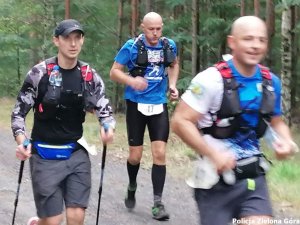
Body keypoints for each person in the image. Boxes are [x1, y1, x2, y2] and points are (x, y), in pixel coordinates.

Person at [171, 16, 298, 225]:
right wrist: (213, 154)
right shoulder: (211, 80)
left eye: (261, 40)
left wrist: (286, 142)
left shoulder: (270, 82)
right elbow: (180, 121)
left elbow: (276, 122)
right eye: (248, 39)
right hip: (214, 182)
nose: (255, 46)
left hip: (254, 179)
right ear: (232, 42)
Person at [11, 19, 115, 225]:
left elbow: (105, 110)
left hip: (76, 153)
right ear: (56, 40)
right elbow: (18, 114)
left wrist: (107, 127)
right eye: (67, 38)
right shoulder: (39, 73)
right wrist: (22, 142)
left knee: (76, 217)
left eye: (78, 38)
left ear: (83, 41)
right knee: (53, 221)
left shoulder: (88, 76)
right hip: (43, 154)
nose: (73, 44)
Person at [110, 11, 179, 221]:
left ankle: (157, 203)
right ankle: (132, 185)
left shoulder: (169, 45)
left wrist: (173, 85)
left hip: (159, 104)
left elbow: (174, 64)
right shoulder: (131, 47)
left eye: (159, 28)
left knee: (159, 153)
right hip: (136, 105)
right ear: (142, 27)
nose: (155, 33)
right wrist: (132, 82)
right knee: (135, 156)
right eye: (151, 29)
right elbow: (114, 71)